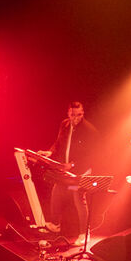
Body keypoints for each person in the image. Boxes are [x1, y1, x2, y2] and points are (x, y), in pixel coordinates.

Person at [40, 101, 98, 236]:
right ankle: (55, 225)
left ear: (83, 113)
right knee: (57, 191)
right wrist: (50, 152)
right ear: (68, 113)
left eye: (79, 115)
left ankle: (84, 234)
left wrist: (72, 165)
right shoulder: (65, 124)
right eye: (73, 115)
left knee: (78, 197)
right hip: (67, 170)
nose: (76, 118)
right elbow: (58, 142)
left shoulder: (89, 130)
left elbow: (91, 155)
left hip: (82, 171)